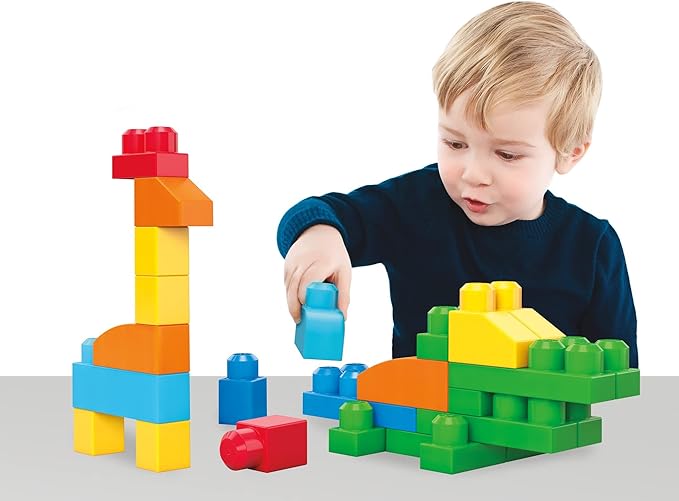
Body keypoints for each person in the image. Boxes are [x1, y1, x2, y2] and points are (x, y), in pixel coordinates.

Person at [276, 1, 638, 368]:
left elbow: (619, 377)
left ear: (570, 153)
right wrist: (319, 234)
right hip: (422, 406)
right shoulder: (415, 206)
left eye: (507, 154)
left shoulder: (592, 248)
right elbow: (323, 211)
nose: (473, 174)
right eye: (455, 144)